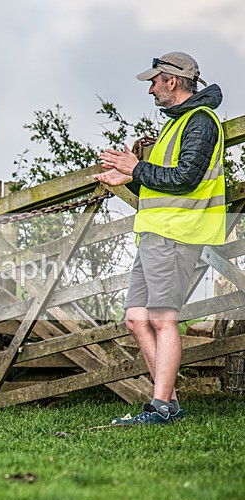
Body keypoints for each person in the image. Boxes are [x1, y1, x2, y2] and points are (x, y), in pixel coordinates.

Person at [94, 52, 225, 425]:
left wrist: (136, 167)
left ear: (172, 81)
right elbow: (161, 182)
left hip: (177, 233)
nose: (151, 89)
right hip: (156, 233)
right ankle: (169, 404)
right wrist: (129, 178)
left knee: (164, 319)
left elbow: (185, 178)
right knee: (137, 318)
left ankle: (160, 408)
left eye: (154, 81)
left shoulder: (200, 122)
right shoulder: (178, 122)